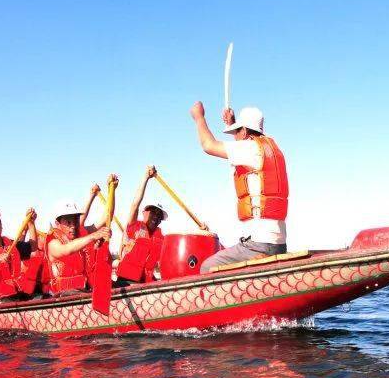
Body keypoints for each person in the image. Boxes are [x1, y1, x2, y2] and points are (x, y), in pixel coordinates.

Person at [189, 101, 289, 273]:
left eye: (237, 130)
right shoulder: (269, 147)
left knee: (206, 268)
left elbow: (209, 145)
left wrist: (199, 117)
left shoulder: (250, 148)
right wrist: (232, 123)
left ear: (244, 131)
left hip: (259, 246)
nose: (235, 134)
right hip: (278, 244)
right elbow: (241, 146)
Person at [46, 186, 109, 294]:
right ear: (58, 224)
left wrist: (111, 189)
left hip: (83, 290)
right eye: (68, 223)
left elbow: (107, 216)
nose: (73, 226)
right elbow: (66, 250)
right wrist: (93, 236)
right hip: (62, 295)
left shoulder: (78, 238)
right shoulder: (53, 243)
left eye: (75, 222)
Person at [117, 165, 167, 284]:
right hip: (126, 279)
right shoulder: (134, 226)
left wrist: (202, 230)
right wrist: (145, 178)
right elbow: (135, 204)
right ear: (144, 213)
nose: (155, 217)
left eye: (159, 215)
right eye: (153, 212)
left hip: (145, 281)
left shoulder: (161, 238)